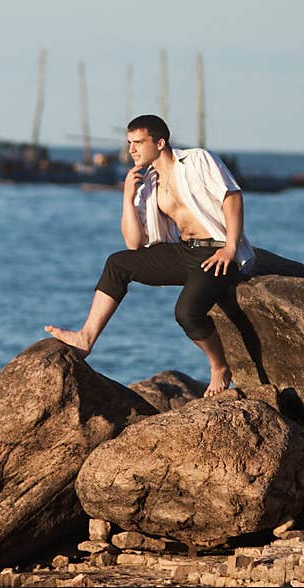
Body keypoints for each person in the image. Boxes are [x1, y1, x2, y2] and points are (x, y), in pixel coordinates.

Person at [45, 114, 255, 397]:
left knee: (186, 313)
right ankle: (86, 336)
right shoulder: (148, 184)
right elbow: (134, 243)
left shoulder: (197, 160)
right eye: (129, 143)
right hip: (184, 251)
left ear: (160, 142)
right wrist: (127, 196)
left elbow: (232, 197)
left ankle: (218, 366)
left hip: (217, 250)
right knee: (117, 263)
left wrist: (230, 247)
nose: (131, 149)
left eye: (138, 142)